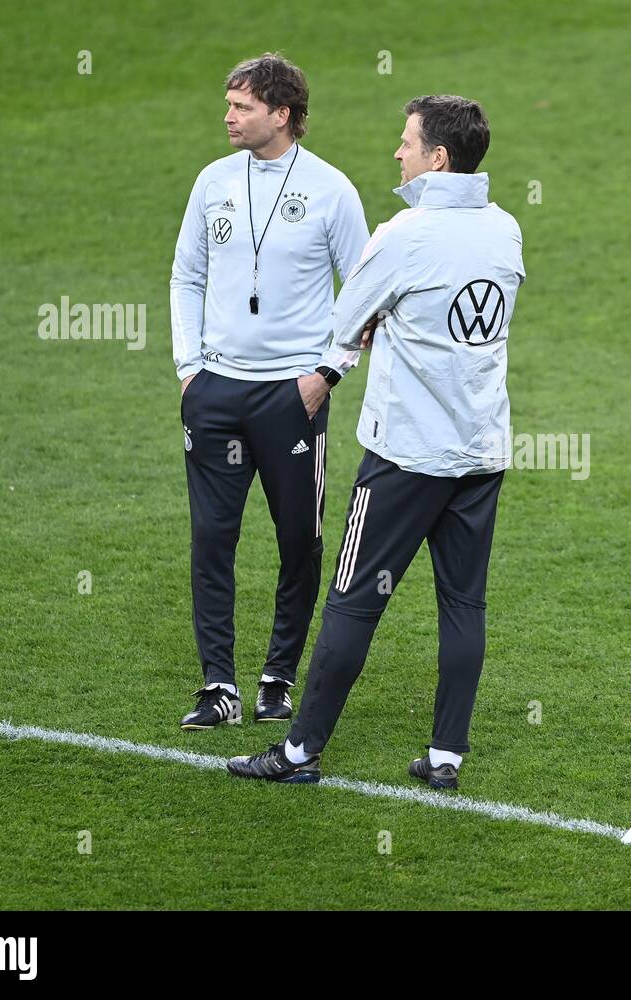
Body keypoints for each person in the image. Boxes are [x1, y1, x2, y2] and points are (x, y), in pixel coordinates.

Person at [228, 95, 524, 789]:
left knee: (354, 599)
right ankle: (447, 756)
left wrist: (378, 324)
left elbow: (345, 322)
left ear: (438, 157)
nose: (398, 152)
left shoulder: (404, 233)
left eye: (407, 142)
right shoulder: (506, 229)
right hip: (481, 452)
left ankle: (299, 753)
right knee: (464, 604)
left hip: (405, 457)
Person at [170, 53, 369, 730]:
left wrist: (327, 373)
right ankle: (218, 686)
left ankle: (278, 676)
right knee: (212, 539)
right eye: (228, 105)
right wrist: (188, 368)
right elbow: (185, 277)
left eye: (242, 106)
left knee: (299, 540)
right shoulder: (212, 182)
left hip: (291, 396)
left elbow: (367, 293)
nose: (228, 117)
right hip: (216, 391)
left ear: (280, 114)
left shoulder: (331, 190)